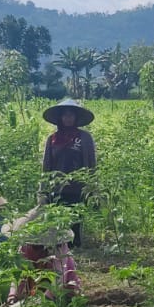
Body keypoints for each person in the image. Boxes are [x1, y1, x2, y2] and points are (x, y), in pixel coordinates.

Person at [41, 98, 97, 248]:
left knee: (76, 217)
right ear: (60, 118)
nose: (68, 118)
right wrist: (43, 189)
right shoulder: (52, 139)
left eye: (71, 115)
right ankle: (61, 245)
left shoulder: (84, 138)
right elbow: (46, 165)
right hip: (57, 186)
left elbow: (91, 162)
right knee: (58, 217)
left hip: (78, 185)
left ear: (75, 118)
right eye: (65, 115)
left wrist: (92, 185)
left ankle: (75, 243)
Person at [4, 206, 80, 303]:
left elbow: (60, 275)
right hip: (36, 280)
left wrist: (45, 299)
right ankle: (34, 295)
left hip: (63, 283)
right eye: (35, 245)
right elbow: (19, 273)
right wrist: (13, 296)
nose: (37, 246)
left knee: (67, 295)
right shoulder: (25, 246)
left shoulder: (59, 248)